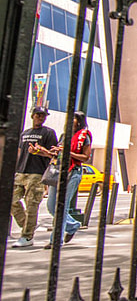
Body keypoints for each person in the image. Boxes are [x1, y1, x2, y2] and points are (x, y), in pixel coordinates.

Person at [10, 106, 59, 248]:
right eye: (38, 115)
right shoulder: (25, 133)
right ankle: (28, 224)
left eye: (43, 115)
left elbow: (53, 154)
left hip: (37, 173)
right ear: (32, 116)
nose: (40, 117)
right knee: (11, 200)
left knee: (32, 204)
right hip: (21, 172)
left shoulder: (49, 133)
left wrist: (40, 151)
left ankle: (27, 236)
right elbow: (20, 152)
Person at [45, 111, 92, 248]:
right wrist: (45, 152)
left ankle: (55, 240)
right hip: (58, 171)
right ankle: (72, 225)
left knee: (62, 206)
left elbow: (85, 157)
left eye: (74, 119)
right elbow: (57, 154)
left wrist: (68, 152)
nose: (71, 121)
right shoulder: (64, 136)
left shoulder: (84, 136)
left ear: (79, 121)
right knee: (51, 205)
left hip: (73, 172)